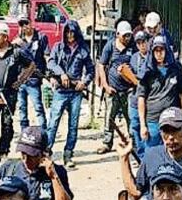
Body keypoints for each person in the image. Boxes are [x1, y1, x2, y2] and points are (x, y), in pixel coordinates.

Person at [0, 22, 36, 161]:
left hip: (9, 95)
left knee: (7, 125)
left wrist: (20, 81)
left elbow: (31, 65)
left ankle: (3, 153)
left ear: (5, 37)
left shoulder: (16, 52)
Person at [45, 20, 94, 168]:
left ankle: (68, 155)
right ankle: (46, 153)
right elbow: (51, 63)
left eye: (72, 32)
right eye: (67, 32)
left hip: (76, 93)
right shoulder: (58, 47)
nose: (70, 35)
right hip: (60, 91)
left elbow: (91, 71)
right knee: (53, 124)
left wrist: (84, 83)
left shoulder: (83, 49)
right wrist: (61, 74)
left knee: (73, 125)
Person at [137, 34, 182, 149]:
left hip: (172, 120)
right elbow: (141, 98)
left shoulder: (176, 68)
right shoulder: (147, 71)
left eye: (161, 50)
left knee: (174, 153)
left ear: (166, 50)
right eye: (156, 50)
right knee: (152, 155)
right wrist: (142, 125)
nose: (159, 54)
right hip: (153, 120)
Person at [97, 20, 136, 154]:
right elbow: (101, 65)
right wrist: (105, 85)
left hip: (129, 90)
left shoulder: (133, 46)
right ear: (117, 34)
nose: (127, 38)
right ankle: (107, 143)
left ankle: (133, 143)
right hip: (112, 89)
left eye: (129, 35)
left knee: (131, 117)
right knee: (109, 117)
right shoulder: (110, 46)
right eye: (124, 36)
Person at [13, 13, 49, 134]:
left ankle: (44, 133)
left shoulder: (41, 37)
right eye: (21, 24)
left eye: (26, 23)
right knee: (22, 109)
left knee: (38, 107)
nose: (25, 26)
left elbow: (39, 57)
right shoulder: (17, 40)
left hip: (34, 79)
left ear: (32, 23)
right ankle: (25, 134)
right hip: (20, 80)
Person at [127, 30, 150, 158]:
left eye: (144, 42)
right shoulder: (134, 57)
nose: (142, 45)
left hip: (148, 99)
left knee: (148, 128)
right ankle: (141, 157)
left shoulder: (153, 57)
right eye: (139, 43)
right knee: (135, 127)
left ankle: (148, 156)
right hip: (135, 98)